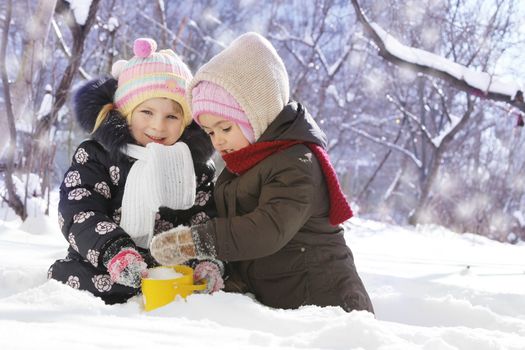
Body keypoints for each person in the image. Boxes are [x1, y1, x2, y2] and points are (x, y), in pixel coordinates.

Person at [149, 32, 374, 313]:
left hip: (325, 304)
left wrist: (194, 240)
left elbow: (265, 231)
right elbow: (234, 228)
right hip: (283, 302)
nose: (217, 140)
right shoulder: (243, 165)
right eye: (209, 132)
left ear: (256, 115)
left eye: (225, 128)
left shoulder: (297, 162)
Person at [48, 38, 223, 304]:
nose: (158, 126)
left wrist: (206, 260)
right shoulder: (97, 155)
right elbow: (80, 210)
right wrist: (114, 251)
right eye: (147, 112)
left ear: (186, 121)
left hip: (167, 266)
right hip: (106, 259)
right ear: (127, 112)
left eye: (172, 116)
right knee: (73, 278)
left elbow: (202, 219)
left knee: (190, 287)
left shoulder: (194, 167)